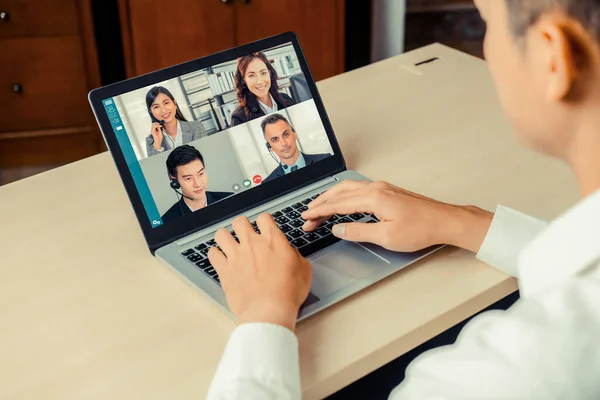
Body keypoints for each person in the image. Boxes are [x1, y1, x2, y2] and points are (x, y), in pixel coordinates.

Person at [206, 0, 600, 398]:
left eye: (486, 23)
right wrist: (461, 221)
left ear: (553, 59)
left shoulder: (507, 376)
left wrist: (264, 316)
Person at [161, 145, 232, 223]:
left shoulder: (230, 199)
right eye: (188, 178)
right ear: (175, 182)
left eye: (201, 174)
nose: (198, 184)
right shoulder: (167, 221)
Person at [230, 52, 296, 126]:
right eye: (251, 75)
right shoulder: (239, 118)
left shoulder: (286, 99)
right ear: (243, 80)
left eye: (263, 73)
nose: (260, 81)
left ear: (270, 74)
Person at [260, 114, 330, 183]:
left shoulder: (325, 159)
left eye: (285, 134)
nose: (283, 143)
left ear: (295, 135)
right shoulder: (268, 182)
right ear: (270, 147)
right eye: (275, 139)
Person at [145, 86, 208, 157]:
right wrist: (157, 144)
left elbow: (206, 156)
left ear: (174, 103)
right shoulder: (150, 141)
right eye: (156, 107)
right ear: (151, 112)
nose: (163, 110)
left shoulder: (197, 127)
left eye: (166, 103)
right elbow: (154, 166)